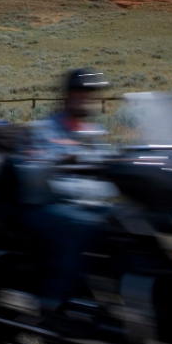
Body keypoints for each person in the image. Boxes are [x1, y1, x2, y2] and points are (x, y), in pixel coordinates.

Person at [16, 68, 115, 317]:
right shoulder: (45, 129)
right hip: (44, 206)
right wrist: (59, 158)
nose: (86, 98)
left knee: (128, 222)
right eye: (81, 92)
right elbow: (30, 172)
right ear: (68, 95)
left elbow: (109, 168)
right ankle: (54, 301)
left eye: (90, 93)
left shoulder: (94, 134)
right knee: (79, 225)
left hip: (86, 205)